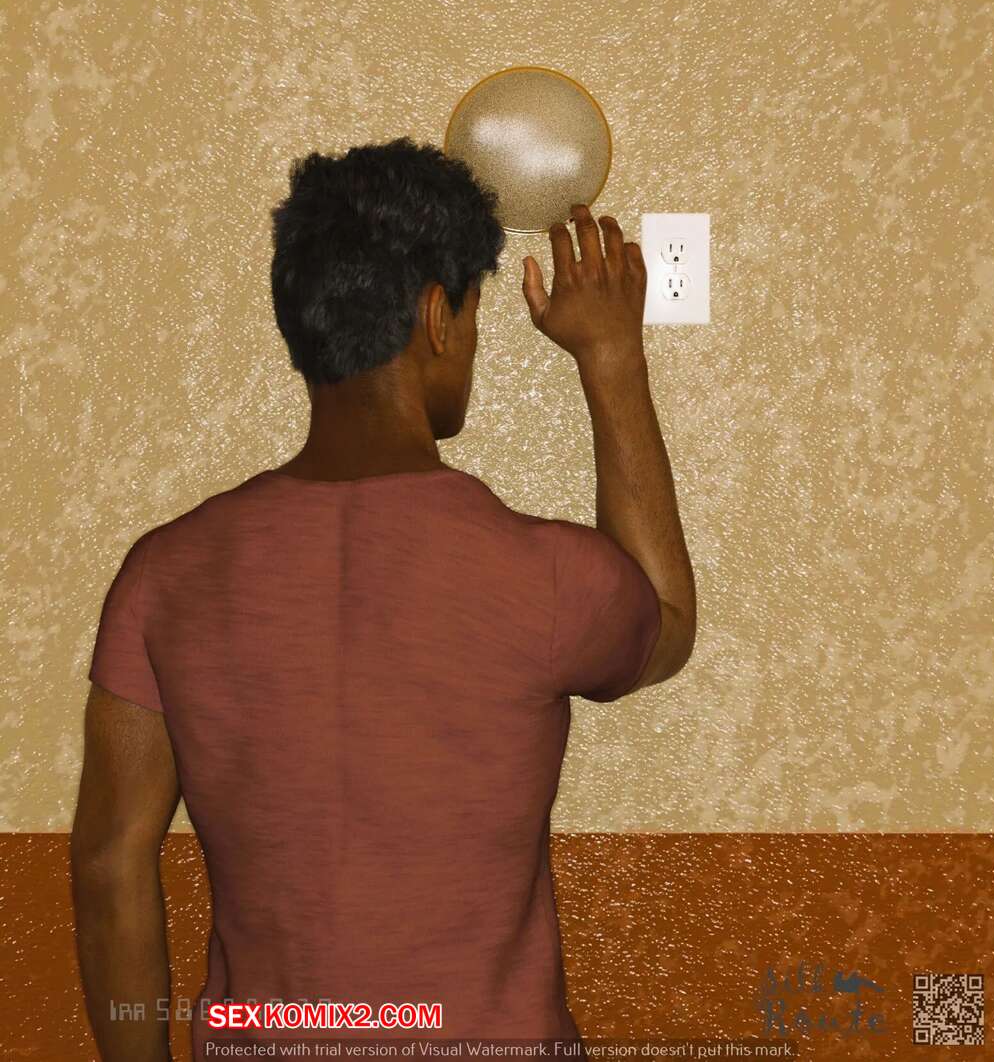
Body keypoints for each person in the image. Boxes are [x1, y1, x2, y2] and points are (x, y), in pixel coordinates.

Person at [70, 137, 697, 1062]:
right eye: (472, 316)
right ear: (438, 317)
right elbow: (666, 626)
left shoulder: (167, 574)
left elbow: (109, 860)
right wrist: (610, 355)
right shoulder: (542, 572)